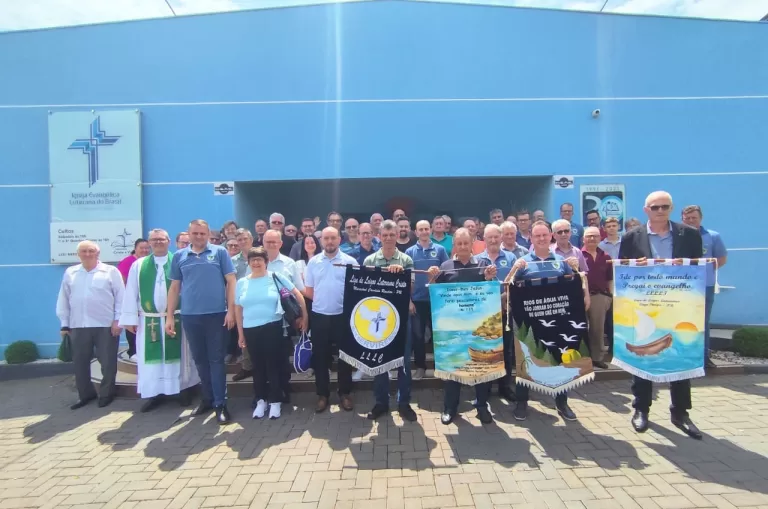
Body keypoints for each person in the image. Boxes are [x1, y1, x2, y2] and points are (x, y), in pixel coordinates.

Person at [619, 191, 703, 439]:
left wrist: (685, 264)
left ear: (672, 208)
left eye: (665, 206)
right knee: (644, 354)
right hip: (646, 305)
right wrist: (637, 266)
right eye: (655, 207)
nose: (660, 211)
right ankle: (641, 409)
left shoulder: (688, 234)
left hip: (679, 305)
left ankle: (680, 412)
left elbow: (699, 266)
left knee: (681, 355)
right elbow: (622, 269)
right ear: (646, 210)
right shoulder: (631, 237)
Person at [511, 221, 585, 422]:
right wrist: (515, 271)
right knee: (526, 360)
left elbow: (574, 289)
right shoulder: (523, 263)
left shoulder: (561, 262)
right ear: (532, 239)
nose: (542, 239)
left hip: (558, 321)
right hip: (530, 324)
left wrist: (576, 271)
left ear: (550, 236)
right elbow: (509, 288)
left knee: (561, 361)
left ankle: (562, 402)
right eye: (537, 236)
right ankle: (521, 403)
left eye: (545, 235)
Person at [119, 229, 199, 412]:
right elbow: (131, 292)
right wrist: (130, 318)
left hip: (177, 317)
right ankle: (155, 393)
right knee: (153, 360)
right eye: (154, 240)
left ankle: (182, 390)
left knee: (180, 355)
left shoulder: (179, 260)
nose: (158, 242)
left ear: (169, 241)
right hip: (150, 321)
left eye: (161, 239)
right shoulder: (139, 265)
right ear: (149, 242)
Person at [166, 219, 237, 425]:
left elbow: (231, 281)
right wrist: (170, 316)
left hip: (216, 315)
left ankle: (220, 404)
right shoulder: (180, 256)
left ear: (208, 235)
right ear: (189, 234)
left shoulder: (219, 253)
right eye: (195, 234)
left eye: (202, 234)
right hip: (190, 316)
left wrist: (230, 310)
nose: (199, 237)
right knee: (199, 360)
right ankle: (207, 398)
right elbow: (174, 288)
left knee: (216, 360)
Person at [427, 228, 497, 425]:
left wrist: (490, 278)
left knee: (482, 368)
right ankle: (450, 408)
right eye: (460, 243)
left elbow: (491, 292)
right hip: (454, 329)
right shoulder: (446, 266)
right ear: (455, 245)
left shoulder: (484, 265)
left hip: (479, 328)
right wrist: (432, 276)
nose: (463, 246)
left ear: (472, 243)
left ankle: (482, 406)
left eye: (467, 243)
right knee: (453, 369)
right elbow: (434, 292)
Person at [236, 247, 308, 420]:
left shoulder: (275, 277)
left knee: (273, 365)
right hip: (250, 329)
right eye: (253, 260)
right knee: (257, 366)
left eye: (259, 259)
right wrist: (240, 334)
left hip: (272, 327)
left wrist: (304, 316)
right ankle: (261, 400)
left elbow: (297, 294)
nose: (256, 263)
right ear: (249, 262)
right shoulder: (242, 283)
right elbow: (238, 309)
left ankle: (275, 401)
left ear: (266, 261)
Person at [56, 241, 125, 410]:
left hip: (105, 325)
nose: (87, 254)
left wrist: (118, 321)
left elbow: (121, 298)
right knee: (80, 362)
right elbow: (64, 299)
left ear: (98, 253)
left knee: (107, 362)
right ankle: (85, 394)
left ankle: (107, 394)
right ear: (78, 254)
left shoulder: (110, 271)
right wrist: (64, 324)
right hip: (78, 325)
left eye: (91, 251)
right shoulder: (70, 273)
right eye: (84, 251)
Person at [362, 220, 418, 422]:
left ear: (397, 236)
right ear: (379, 236)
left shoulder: (406, 260)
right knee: (379, 362)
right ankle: (381, 403)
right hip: (378, 320)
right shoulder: (369, 261)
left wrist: (400, 275)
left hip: (401, 317)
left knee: (404, 362)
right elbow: (364, 291)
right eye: (384, 235)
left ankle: (404, 404)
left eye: (391, 235)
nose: (388, 239)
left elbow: (410, 289)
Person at [304, 226, 359, 413]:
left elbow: (355, 290)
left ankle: (344, 393)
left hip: (343, 316)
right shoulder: (313, 263)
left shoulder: (350, 261)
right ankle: (323, 395)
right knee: (320, 358)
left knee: (345, 358)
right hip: (320, 316)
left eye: (333, 238)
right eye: (326, 238)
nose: (329, 241)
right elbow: (309, 291)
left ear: (339, 239)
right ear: (321, 241)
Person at [681, 205, 727, 368]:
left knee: (703, 321)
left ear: (700, 218)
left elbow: (721, 259)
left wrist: (704, 272)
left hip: (705, 286)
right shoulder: (678, 236)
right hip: (682, 287)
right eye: (688, 218)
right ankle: (684, 356)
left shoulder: (712, 236)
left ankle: (704, 357)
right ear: (682, 219)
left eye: (694, 218)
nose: (691, 221)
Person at [477, 224, 517, 401]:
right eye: (489, 237)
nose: (493, 240)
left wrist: (505, 296)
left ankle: (505, 386)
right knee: (487, 350)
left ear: (501, 238)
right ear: (484, 239)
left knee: (506, 351)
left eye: (496, 237)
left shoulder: (511, 257)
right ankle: (484, 387)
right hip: (485, 315)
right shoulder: (476, 259)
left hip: (505, 310)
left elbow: (516, 281)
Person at [406, 220, 448, 381]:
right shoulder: (410, 252)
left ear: (430, 230)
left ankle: (441, 367)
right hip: (417, 300)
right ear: (416, 232)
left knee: (439, 335)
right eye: (420, 229)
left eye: (426, 229)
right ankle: (421, 367)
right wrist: (409, 301)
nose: (423, 232)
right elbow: (407, 278)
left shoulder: (440, 250)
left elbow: (446, 272)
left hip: (436, 300)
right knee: (418, 335)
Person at [582, 226, 612, 369]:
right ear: (583, 238)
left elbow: (610, 278)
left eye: (595, 236)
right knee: (580, 328)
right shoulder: (578, 255)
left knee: (597, 329)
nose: (592, 238)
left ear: (600, 238)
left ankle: (597, 357)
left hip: (600, 297)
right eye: (589, 236)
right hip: (581, 296)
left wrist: (610, 296)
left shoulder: (606, 256)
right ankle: (583, 357)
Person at [117, 238, 150, 361]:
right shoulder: (128, 262)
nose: (145, 250)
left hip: (146, 301)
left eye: (147, 248)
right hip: (131, 299)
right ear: (135, 248)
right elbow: (122, 282)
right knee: (132, 325)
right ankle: (133, 351)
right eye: (142, 248)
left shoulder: (150, 261)